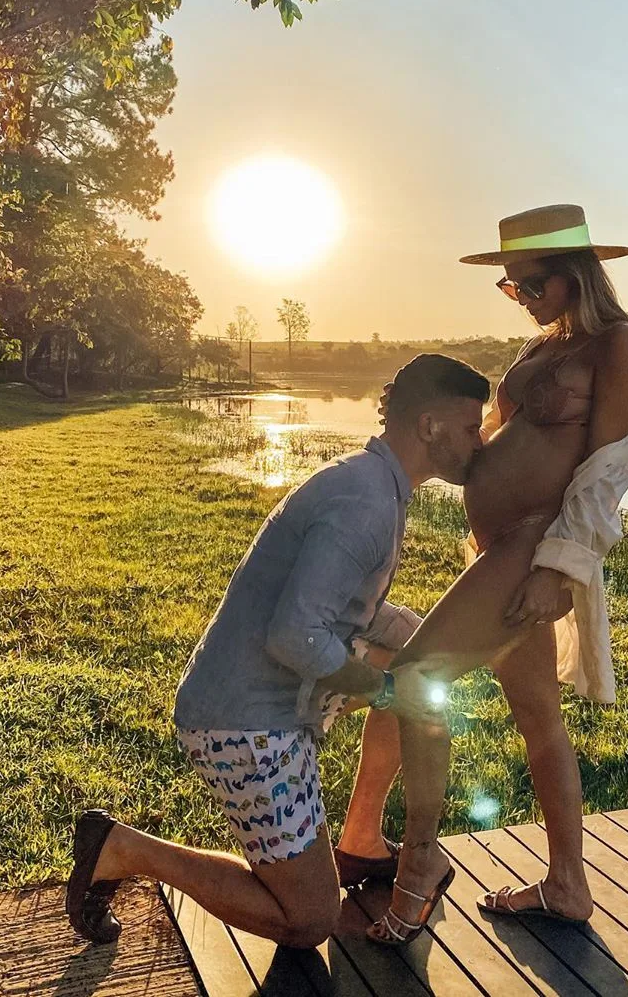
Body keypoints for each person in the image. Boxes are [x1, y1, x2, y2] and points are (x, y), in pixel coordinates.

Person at [65, 354, 490, 948]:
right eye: (472, 428)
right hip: (243, 722)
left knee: (411, 668)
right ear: (429, 427)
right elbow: (294, 636)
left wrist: (433, 641)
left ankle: (361, 842)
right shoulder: (365, 502)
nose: (480, 443)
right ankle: (124, 849)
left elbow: (348, 615)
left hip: (273, 699)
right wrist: (384, 689)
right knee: (309, 920)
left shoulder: (376, 485)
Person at [338, 203, 628, 944]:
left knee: (410, 679)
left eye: (531, 283)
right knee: (536, 713)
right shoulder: (545, 348)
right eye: (510, 287)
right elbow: (492, 448)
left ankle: (417, 867)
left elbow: (607, 471)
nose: (523, 297)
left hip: (532, 548)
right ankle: (565, 883)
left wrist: (559, 566)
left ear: (575, 272)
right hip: (497, 549)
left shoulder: (619, 344)